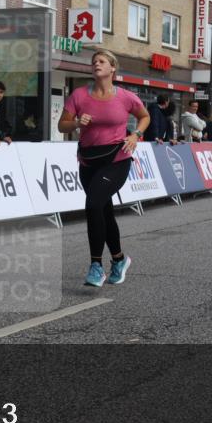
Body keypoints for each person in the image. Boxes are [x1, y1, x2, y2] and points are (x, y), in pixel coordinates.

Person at [58, 48, 150, 288]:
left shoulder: (126, 97)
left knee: (93, 204)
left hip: (117, 159)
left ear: (112, 68)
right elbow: (62, 125)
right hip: (88, 161)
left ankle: (96, 266)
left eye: (101, 61)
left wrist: (135, 135)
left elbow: (145, 116)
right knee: (103, 211)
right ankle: (119, 260)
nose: (96, 64)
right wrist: (76, 122)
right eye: (94, 61)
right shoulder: (79, 95)